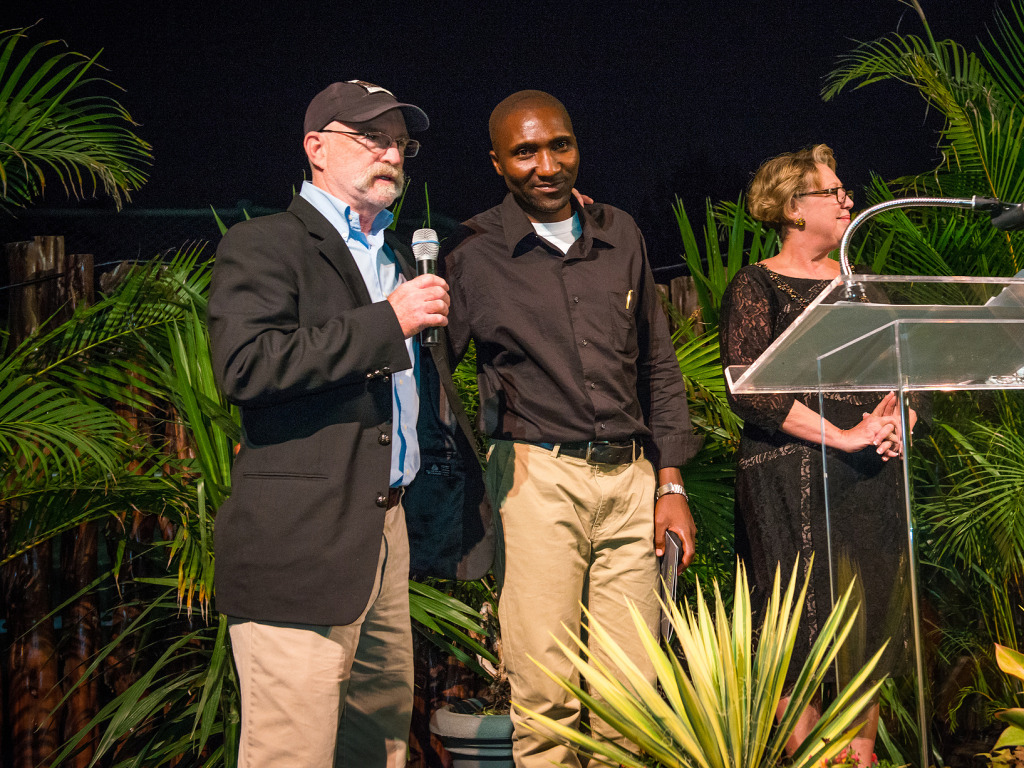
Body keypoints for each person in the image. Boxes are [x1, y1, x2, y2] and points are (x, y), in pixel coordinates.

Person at [207, 80, 484, 768]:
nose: (391, 154)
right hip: (300, 540)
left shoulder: (395, 259)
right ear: (316, 148)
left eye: (401, 143)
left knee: (379, 743)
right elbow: (246, 365)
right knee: (291, 752)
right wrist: (388, 321)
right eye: (372, 138)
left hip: (384, 531)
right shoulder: (265, 244)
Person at [442, 90, 702, 768]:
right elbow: (434, 377)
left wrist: (670, 483)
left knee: (630, 694)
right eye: (525, 151)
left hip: (632, 481)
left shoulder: (620, 236)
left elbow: (659, 367)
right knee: (546, 691)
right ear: (498, 162)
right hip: (536, 480)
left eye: (560, 145)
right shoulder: (474, 256)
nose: (546, 164)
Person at [719, 144, 916, 766]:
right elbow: (750, 391)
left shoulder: (865, 287)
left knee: (868, 624)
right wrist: (846, 435)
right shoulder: (757, 285)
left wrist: (899, 423)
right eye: (834, 192)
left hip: (870, 481)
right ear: (793, 209)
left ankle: (860, 758)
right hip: (789, 481)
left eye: (843, 189)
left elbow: (912, 372)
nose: (848, 200)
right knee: (797, 633)